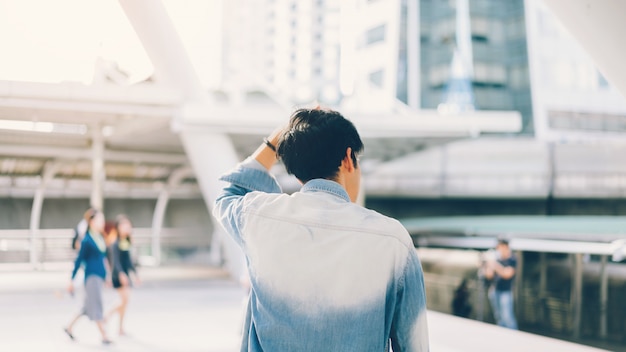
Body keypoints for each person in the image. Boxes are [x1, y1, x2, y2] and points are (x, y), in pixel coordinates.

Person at [213, 108, 429, 351]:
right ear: (348, 158)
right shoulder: (393, 240)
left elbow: (228, 193)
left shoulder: (257, 216)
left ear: (297, 169)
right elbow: (414, 344)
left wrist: (276, 141)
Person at [64, 208, 112, 344]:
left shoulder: (100, 237)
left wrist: (107, 275)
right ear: (91, 222)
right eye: (99, 220)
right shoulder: (87, 240)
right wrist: (71, 279)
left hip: (100, 275)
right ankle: (104, 335)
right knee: (97, 305)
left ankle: (69, 327)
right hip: (92, 277)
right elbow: (79, 261)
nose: (102, 223)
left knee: (86, 306)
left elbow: (103, 258)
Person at [105, 215, 140, 336]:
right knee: (123, 300)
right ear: (118, 228)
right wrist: (121, 274)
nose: (127, 228)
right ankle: (107, 315)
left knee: (125, 302)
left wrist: (135, 274)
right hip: (118, 275)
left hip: (126, 274)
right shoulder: (115, 242)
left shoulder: (127, 242)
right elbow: (115, 262)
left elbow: (129, 261)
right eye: (124, 226)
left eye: (128, 226)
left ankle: (120, 328)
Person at [483, 238, 518, 330]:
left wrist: (495, 265)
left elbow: (507, 274)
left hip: (505, 292)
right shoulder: (496, 258)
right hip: (495, 290)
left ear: (505, 247)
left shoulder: (512, 259)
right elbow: (489, 276)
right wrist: (488, 265)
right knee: (499, 318)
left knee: (507, 318)